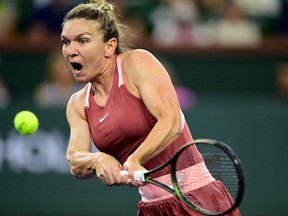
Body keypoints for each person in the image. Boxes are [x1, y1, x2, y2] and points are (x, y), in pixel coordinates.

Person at [61, 0, 241, 215]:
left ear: (110, 46)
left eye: (82, 41)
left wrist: (134, 160)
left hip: (196, 199)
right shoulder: (78, 103)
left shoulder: (138, 63)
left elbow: (171, 121)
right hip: (151, 208)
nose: (71, 50)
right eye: (66, 42)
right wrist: (97, 158)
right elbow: (75, 160)